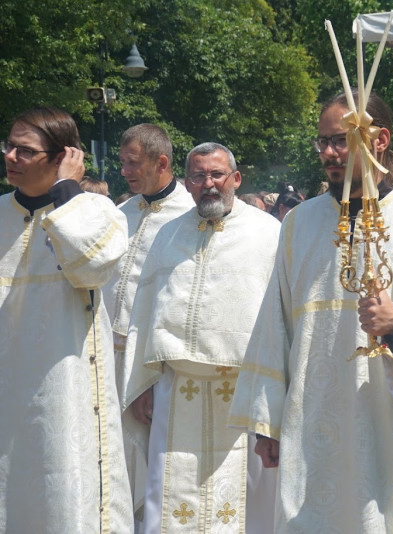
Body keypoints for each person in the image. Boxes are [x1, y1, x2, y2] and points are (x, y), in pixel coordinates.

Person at [229, 92, 393, 533]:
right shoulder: (299, 224)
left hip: (392, 424)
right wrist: (267, 420)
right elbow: (274, 324)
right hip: (314, 422)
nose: (329, 153)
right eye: (323, 141)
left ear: (380, 139)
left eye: (341, 140)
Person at [123, 142, 280, 532]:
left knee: (249, 501)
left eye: (216, 174)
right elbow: (144, 313)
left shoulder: (268, 233)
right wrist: (143, 383)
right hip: (176, 389)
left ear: (236, 179)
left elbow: (280, 317)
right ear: (187, 182)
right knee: (172, 491)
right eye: (197, 176)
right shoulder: (168, 235)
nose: (208, 184)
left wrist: (274, 397)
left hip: (243, 389)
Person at [0, 107, 132, 531]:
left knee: (65, 500)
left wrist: (66, 191)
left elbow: (91, 266)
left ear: (62, 157)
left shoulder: (95, 210)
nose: (11, 157)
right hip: (6, 391)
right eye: (9, 146)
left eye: (25, 150)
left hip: (66, 390)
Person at [103, 123, 196, 521]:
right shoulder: (119, 214)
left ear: (161, 163)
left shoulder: (188, 218)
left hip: (150, 364)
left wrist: (152, 378)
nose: (124, 171)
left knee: (148, 466)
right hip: (106, 357)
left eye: (133, 163)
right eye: (122, 162)